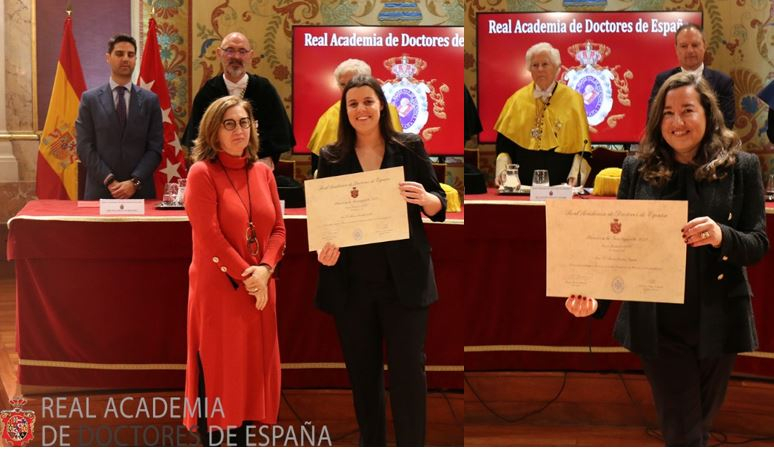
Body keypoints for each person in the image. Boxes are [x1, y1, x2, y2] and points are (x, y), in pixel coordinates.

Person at [566, 72, 768, 446]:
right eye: (668, 113)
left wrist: (723, 235)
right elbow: (619, 247)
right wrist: (596, 300)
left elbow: (757, 243)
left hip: (719, 317)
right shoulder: (635, 168)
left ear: (708, 113)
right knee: (682, 428)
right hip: (658, 321)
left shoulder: (742, 167)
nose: (677, 122)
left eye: (687, 110)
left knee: (697, 423)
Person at [315, 75, 446, 446]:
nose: (361, 109)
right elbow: (326, 221)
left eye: (368, 101)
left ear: (382, 106)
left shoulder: (409, 147)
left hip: (404, 280)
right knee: (363, 375)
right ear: (345, 111)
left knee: (408, 373)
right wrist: (326, 249)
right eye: (353, 103)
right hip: (352, 283)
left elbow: (439, 205)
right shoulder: (331, 156)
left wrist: (426, 197)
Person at [182, 96, 286, 446]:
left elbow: (279, 231)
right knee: (220, 371)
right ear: (214, 130)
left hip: (259, 289)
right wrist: (250, 277)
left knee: (249, 374)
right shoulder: (202, 173)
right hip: (222, 292)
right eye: (229, 124)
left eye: (244, 122)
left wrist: (266, 270)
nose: (239, 130)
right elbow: (209, 238)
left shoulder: (263, 173)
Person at [182, 32, 295, 169]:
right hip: (218, 167)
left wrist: (256, 162)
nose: (236, 57)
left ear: (250, 56)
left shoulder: (265, 89)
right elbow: (198, 139)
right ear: (219, 54)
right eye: (229, 51)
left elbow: (278, 135)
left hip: (257, 164)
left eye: (242, 51)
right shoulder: (207, 92)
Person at [76, 34, 163, 200]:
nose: (125, 59)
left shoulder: (150, 100)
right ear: (108, 58)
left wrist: (134, 182)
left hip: (140, 192)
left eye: (130, 55)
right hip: (100, 190)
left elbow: (155, 148)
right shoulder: (90, 99)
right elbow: (84, 146)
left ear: (135, 59)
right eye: (119, 54)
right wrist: (109, 181)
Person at [494, 42, 591, 186]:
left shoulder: (574, 100)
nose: (540, 69)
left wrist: (576, 176)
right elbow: (504, 148)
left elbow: (582, 148)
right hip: (522, 187)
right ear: (530, 69)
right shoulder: (516, 100)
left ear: (556, 68)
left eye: (545, 64)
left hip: (562, 187)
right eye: (535, 65)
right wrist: (503, 172)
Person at [307, 58, 402, 173]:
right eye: (343, 84)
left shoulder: (390, 110)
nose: (348, 89)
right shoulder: (329, 116)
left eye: (353, 82)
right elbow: (319, 164)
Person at [649, 23, 735, 130]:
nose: (690, 50)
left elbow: (726, 124)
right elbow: (653, 121)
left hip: (711, 145)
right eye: (684, 46)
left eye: (695, 45)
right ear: (676, 49)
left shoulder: (723, 82)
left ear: (704, 46)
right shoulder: (663, 81)